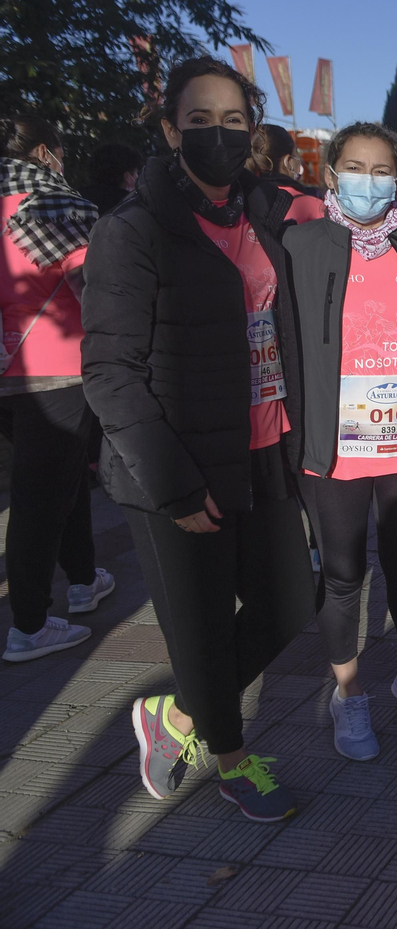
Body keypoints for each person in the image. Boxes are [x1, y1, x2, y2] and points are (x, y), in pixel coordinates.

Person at [82, 56, 315, 821]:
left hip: (262, 448)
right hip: (176, 463)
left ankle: (175, 714)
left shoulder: (261, 213)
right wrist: (174, 485)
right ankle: (233, 761)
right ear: (169, 129)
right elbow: (109, 371)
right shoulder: (134, 229)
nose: (218, 135)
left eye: (233, 122)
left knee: (289, 603)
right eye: (200, 121)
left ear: (252, 131)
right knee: (206, 627)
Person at [284, 122, 397, 761]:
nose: (368, 180)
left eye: (381, 170)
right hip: (334, 450)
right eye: (354, 167)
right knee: (344, 573)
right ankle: (348, 694)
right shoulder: (300, 246)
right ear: (330, 175)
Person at [1, 113, 115, 663]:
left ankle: (84, 578)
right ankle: (28, 624)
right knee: (39, 500)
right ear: (46, 153)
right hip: (57, 370)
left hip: (8, 373)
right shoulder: (52, 206)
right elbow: (96, 285)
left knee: (59, 481)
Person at [249, 124, 322, 225]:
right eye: (296, 154)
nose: (299, 160)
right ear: (288, 162)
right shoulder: (314, 207)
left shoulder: (244, 203)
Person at [81, 140, 143, 214]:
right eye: (136, 173)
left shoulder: (77, 202)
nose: (138, 178)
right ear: (127, 177)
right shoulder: (133, 208)